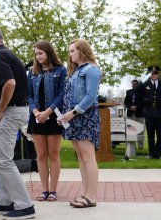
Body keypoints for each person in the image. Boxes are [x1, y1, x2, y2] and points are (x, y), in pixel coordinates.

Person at [0, 27, 35, 219]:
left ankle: (25, 205)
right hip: (14, 110)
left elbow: (10, 84)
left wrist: (0, 111)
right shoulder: (8, 55)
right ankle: (6, 200)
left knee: (3, 159)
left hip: (12, 111)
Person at [59, 39, 101, 208]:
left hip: (85, 117)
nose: (70, 54)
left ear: (82, 51)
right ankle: (85, 193)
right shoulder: (76, 71)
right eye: (69, 51)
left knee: (89, 158)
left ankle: (91, 197)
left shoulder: (92, 70)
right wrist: (64, 115)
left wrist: (73, 112)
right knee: (81, 158)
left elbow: (90, 97)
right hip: (73, 118)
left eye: (72, 51)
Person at [27, 40, 66, 201]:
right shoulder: (32, 72)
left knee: (54, 154)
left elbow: (62, 94)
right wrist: (36, 111)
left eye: (40, 53)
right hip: (36, 117)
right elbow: (28, 95)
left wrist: (47, 112)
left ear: (49, 53)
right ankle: (44, 190)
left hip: (53, 117)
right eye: (36, 54)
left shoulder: (60, 70)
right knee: (41, 155)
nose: (38, 56)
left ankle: (54, 190)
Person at [138, 66, 161, 159]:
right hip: (149, 112)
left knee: (160, 134)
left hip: (160, 112)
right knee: (150, 135)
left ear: (158, 74)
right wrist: (143, 79)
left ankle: (159, 153)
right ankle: (152, 153)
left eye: (155, 73)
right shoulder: (144, 85)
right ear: (149, 74)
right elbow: (137, 91)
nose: (154, 75)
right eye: (152, 73)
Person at [124, 79, 145, 149]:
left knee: (140, 130)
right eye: (133, 84)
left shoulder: (142, 92)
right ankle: (132, 146)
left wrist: (137, 107)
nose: (134, 85)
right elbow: (126, 102)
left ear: (138, 85)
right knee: (131, 130)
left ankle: (140, 146)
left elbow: (143, 102)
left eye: (136, 84)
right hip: (130, 114)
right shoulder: (128, 92)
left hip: (139, 114)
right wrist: (130, 107)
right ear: (131, 84)